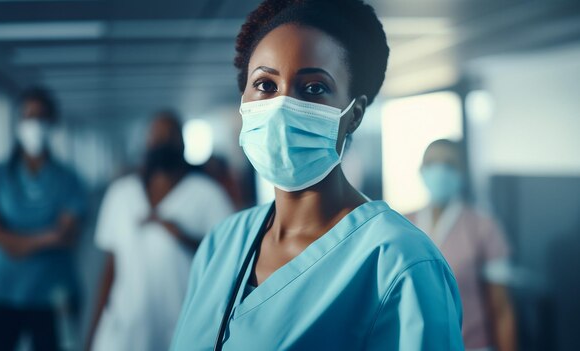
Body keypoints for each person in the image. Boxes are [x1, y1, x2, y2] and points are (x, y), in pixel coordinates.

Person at [171, 1, 464, 350]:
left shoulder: (400, 263)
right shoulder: (223, 243)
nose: (281, 106)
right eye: (265, 84)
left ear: (353, 115)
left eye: (313, 88)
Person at [86, 111, 235, 351]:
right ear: (146, 143)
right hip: (126, 328)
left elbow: (229, 257)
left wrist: (183, 236)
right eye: (156, 135)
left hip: (182, 323)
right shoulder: (121, 194)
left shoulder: (206, 194)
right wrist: (91, 334)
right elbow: (109, 269)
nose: (162, 141)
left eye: (170, 136)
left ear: (183, 144)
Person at [0, 87, 87, 351]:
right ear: (18, 123)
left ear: (53, 123)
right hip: (3, 291)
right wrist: (45, 237)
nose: (34, 124)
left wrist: (12, 241)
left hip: (55, 294)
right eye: (28, 116)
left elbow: (67, 236)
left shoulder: (68, 179)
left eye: (42, 116)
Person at [406, 139, 516, 351]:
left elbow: (501, 309)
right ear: (421, 170)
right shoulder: (402, 224)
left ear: (462, 172)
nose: (440, 171)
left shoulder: (483, 227)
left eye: (449, 164)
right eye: (432, 163)